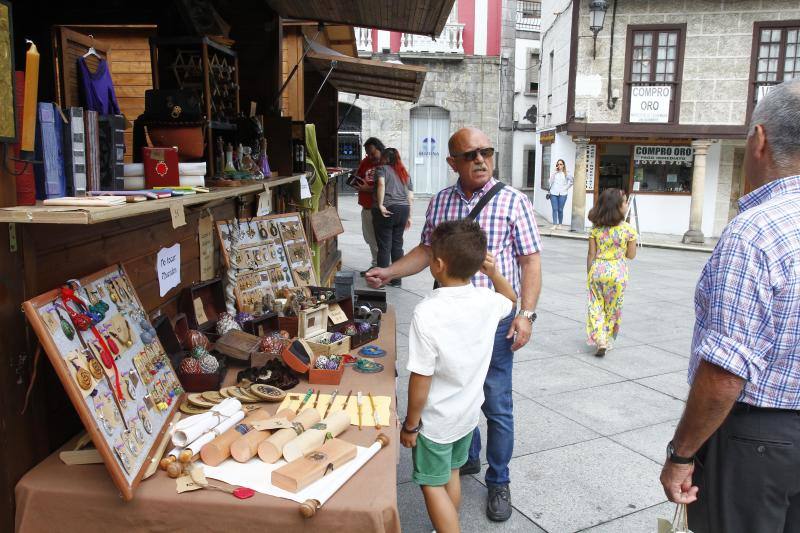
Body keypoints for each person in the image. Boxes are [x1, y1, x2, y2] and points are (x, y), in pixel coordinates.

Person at [367, 127, 542, 522]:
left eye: (486, 152)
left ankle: (499, 481)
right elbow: (428, 249)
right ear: (453, 163)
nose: (480, 159)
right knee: (460, 395)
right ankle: (465, 458)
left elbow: (530, 261)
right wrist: (390, 270)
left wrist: (526, 316)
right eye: (470, 155)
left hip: (492, 320)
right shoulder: (443, 201)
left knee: (497, 404)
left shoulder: (514, 202)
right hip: (451, 320)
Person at [659, 80, 800, 533]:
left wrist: (681, 454)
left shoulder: (754, 231)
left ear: (759, 140)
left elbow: (724, 374)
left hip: (755, 441)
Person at [402, 219, 516, 533]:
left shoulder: (428, 312)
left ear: (437, 264)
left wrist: (411, 424)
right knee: (451, 472)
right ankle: (448, 523)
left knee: (430, 483)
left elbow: (421, 378)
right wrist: (493, 274)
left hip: (436, 421)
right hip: (466, 415)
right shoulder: (487, 301)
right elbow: (512, 299)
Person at [585, 188, 637, 357]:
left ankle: (599, 339)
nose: (626, 204)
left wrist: (589, 274)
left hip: (598, 270)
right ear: (617, 207)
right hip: (617, 273)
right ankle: (606, 339)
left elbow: (591, 254)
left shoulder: (595, 229)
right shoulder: (628, 230)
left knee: (596, 307)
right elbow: (631, 255)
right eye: (624, 201)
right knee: (612, 309)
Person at [372, 148, 414, 288]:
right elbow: (410, 197)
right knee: (397, 245)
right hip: (403, 209)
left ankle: (381, 280)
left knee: (384, 246)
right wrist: (409, 216)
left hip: (388, 208)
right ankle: (396, 280)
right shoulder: (404, 173)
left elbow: (381, 184)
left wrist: (380, 205)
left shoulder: (381, 169)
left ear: (384, 158)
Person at [351, 137, 384, 275]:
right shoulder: (366, 162)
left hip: (378, 208)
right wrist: (355, 182)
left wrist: (367, 189)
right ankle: (376, 264)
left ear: (380, 149)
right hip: (366, 207)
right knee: (370, 238)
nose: (370, 157)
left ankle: (378, 267)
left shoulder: (386, 162)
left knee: (378, 239)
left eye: (372, 153)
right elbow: (358, 176)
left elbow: (385, 186)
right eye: (368, 154)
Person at [547, 159, 573, 229]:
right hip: (553, 193)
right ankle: (554, 224)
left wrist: (566, 188)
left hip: (563, 194)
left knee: (560, 209)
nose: (559, 165)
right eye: (558, 164)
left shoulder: (566, 173)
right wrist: (554, 172)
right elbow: (550, 181)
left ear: (563, 165)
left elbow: (571, 181)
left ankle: (560, 224)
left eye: (561, 164)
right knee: (554, 209)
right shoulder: (555, 173)